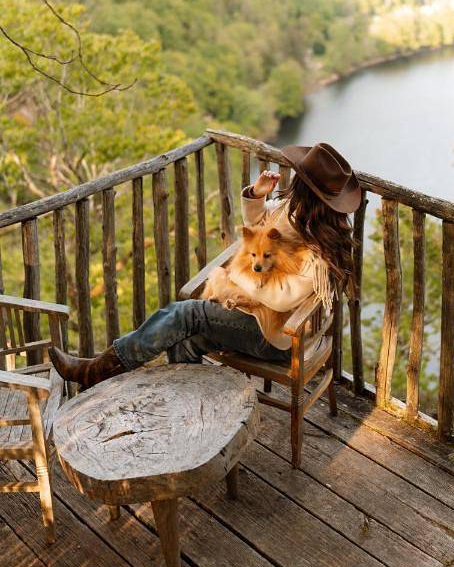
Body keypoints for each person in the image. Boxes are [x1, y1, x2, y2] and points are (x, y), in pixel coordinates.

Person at [49, 142, 361, 390]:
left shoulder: (317, 247)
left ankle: (95, 371)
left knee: (185, 313)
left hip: (280, 337)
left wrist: (236, 273)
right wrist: (256, 196)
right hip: (261, 317)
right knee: (186, 339)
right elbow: (257, 232)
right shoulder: (294, 211)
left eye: (297, 176)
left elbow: (280, 298)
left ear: (305, 186)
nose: (291, 179)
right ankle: (189, 406)